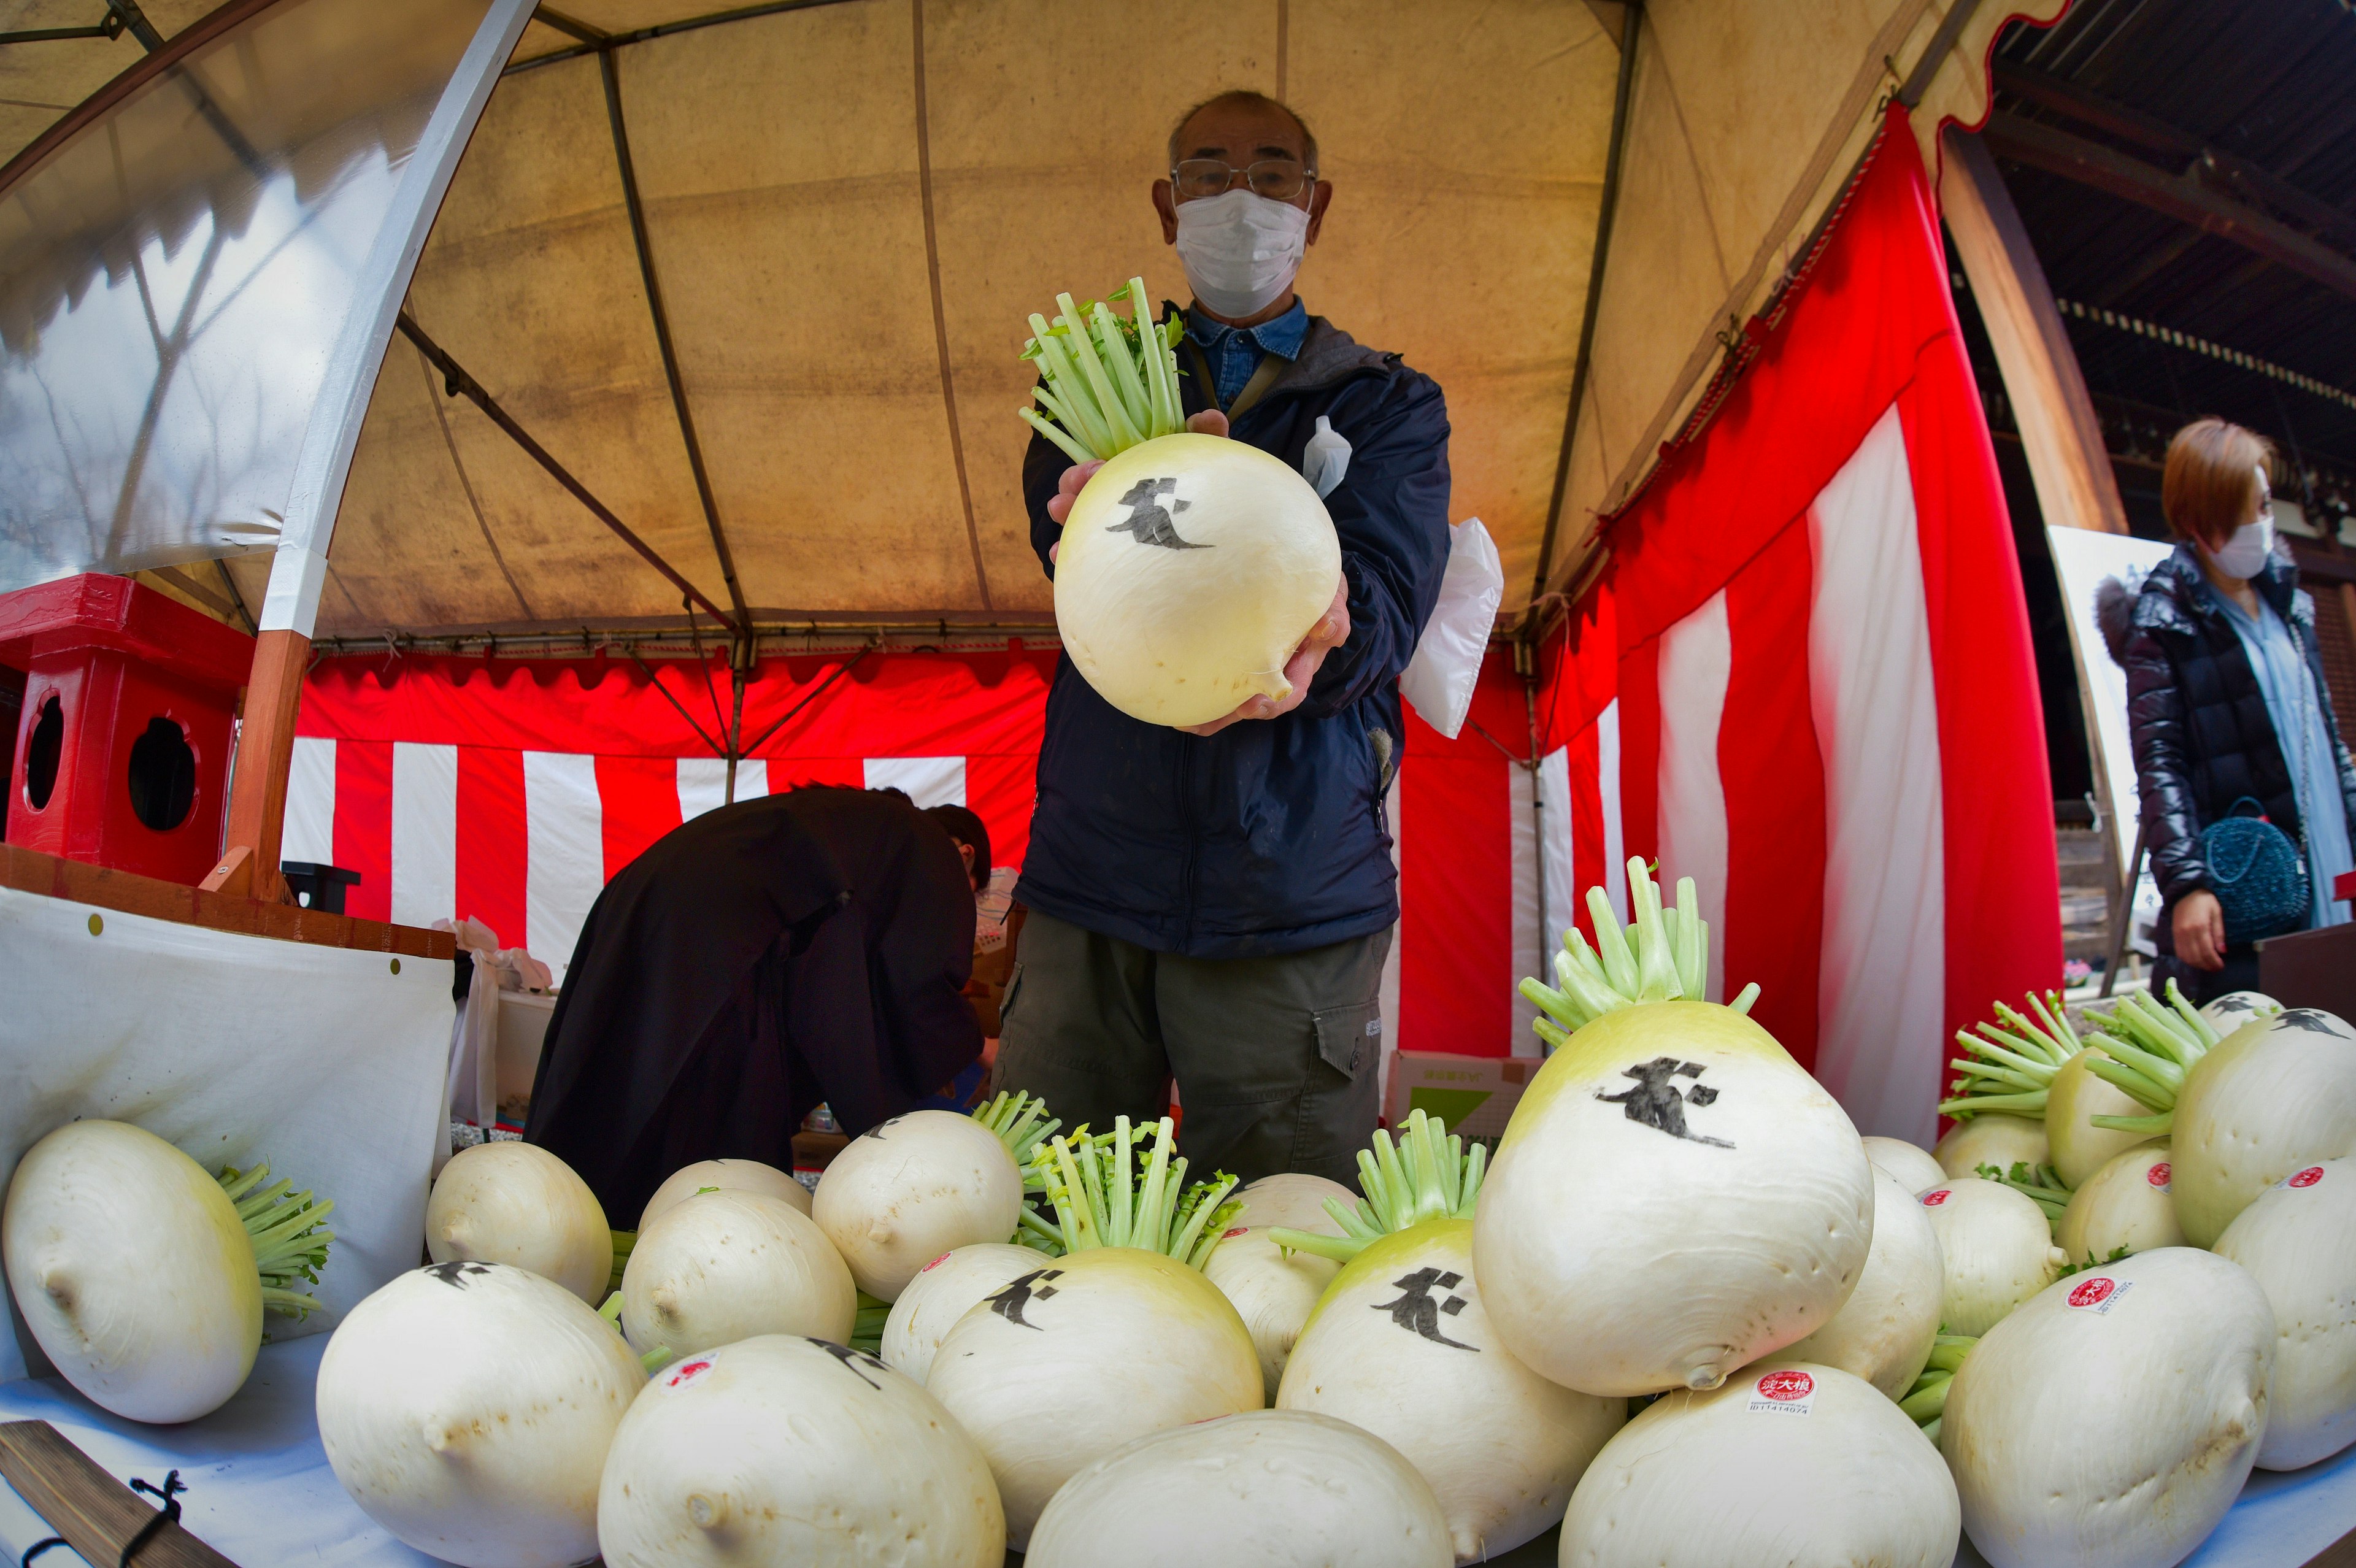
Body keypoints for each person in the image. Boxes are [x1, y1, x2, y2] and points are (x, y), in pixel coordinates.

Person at [998, 90, 1451, 1186]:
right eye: (1206, 173)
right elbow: (1083, 570)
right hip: (1095, 875)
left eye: (1271, 174)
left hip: (1293, 884)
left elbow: (1385, 606)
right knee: (1056, 1213)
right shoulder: (1088, 385)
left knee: (1276, 1237)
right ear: (1166, 206)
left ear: (1316, 204)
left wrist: (1328, 637)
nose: (1238, 199)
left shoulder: (1390, 404)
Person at [526, 785, 988, 1219]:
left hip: (645, 897)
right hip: (713, 927)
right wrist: (976, 1045)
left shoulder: (859, 829)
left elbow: (856, 968)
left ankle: (562, 1217)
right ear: (965, 856)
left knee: (624, 1086)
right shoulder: (930, 847)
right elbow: (919, 976)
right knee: (711, 1134)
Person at [2124, 418, 2356, 1004]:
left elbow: (2327, 739)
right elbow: (2160, 765)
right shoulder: (2163, 622)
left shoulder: (2292, 607)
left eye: (2265, 504)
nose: (2265, 521)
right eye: (2252, 508)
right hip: (2262, 867)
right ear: (2205, 518)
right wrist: (2187, 885)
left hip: (2330, 842)